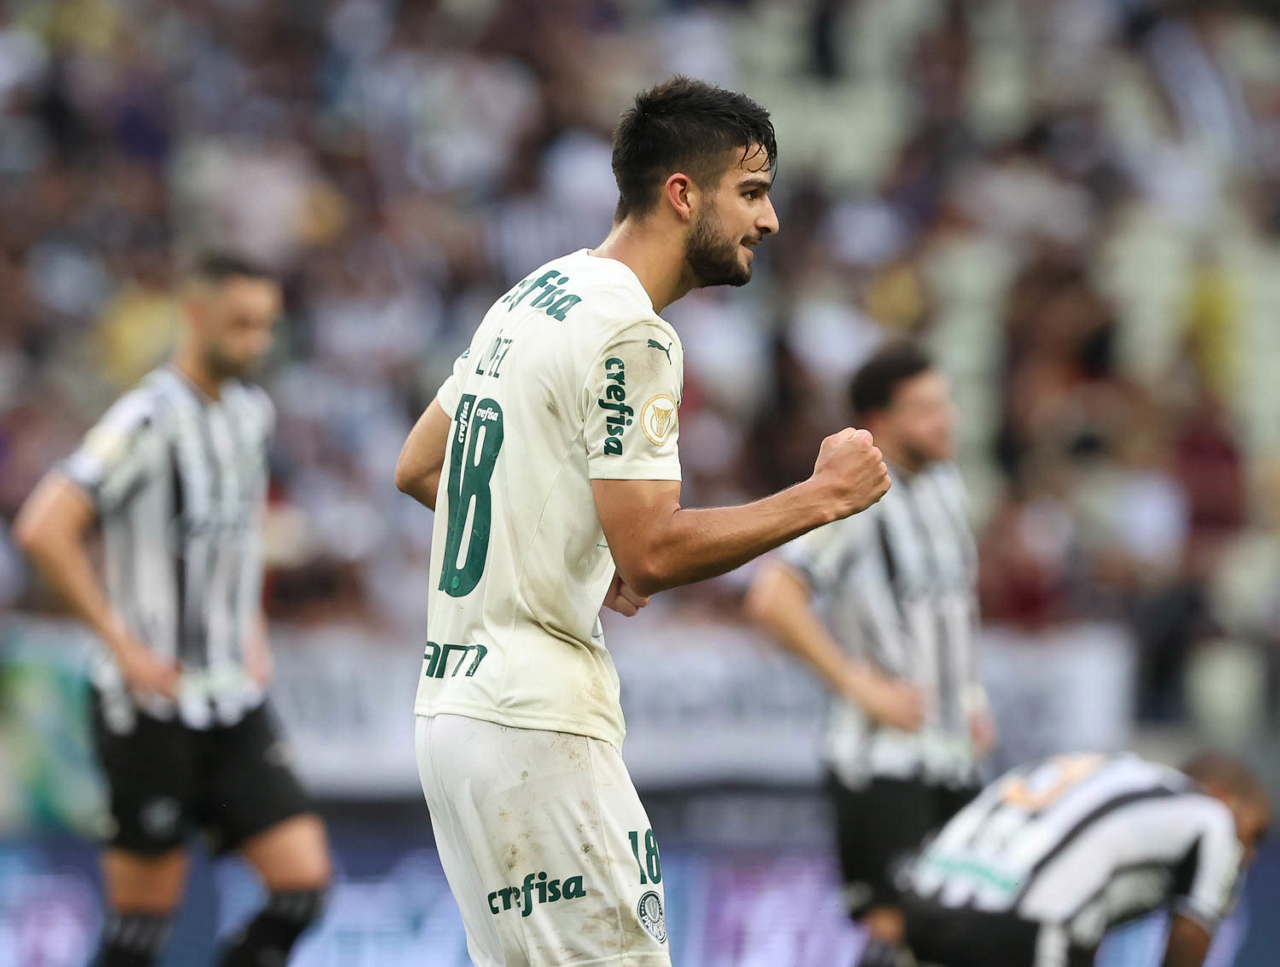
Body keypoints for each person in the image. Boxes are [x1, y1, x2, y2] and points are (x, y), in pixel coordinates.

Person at [394, 76, 891, 966]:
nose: (769, 219)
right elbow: (653, 549)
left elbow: (420, 465)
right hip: (537, 721)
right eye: (751, 192)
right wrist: (822, 496)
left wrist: (568, 543)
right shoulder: (633, 332)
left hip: (454, 714)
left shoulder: (533, 295)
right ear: (682, 193)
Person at [15, 254, 330, 967]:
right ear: (195, 315)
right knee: (141, 930)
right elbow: (43, 527)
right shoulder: (146, 418)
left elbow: (239, 534)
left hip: (233, 698)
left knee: (301, 887)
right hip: (148, 707)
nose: (255, 341)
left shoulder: (251, 413)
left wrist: (251, 630)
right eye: (240, 324)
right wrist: (121, 643)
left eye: (265, 326)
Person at [745, 340, 995, 966]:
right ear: (880, 421)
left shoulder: (946, 485)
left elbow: (949, 606)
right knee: (896, 934)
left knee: (959, 939)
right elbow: (773, 598)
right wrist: (860, 686)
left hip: (952, 753)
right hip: (883, 760)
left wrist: (970, 697)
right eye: (926, 410)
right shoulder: (856, 500)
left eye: (945, 404)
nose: (946, 421)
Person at [900, 751, 1271, 967]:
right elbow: (1190, 937)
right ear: (1223, 796)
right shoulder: (1213, 816)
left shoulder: (1113, 770)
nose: (1251, 854)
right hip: (1022, 924)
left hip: (922, 903)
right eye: (1256, 833)